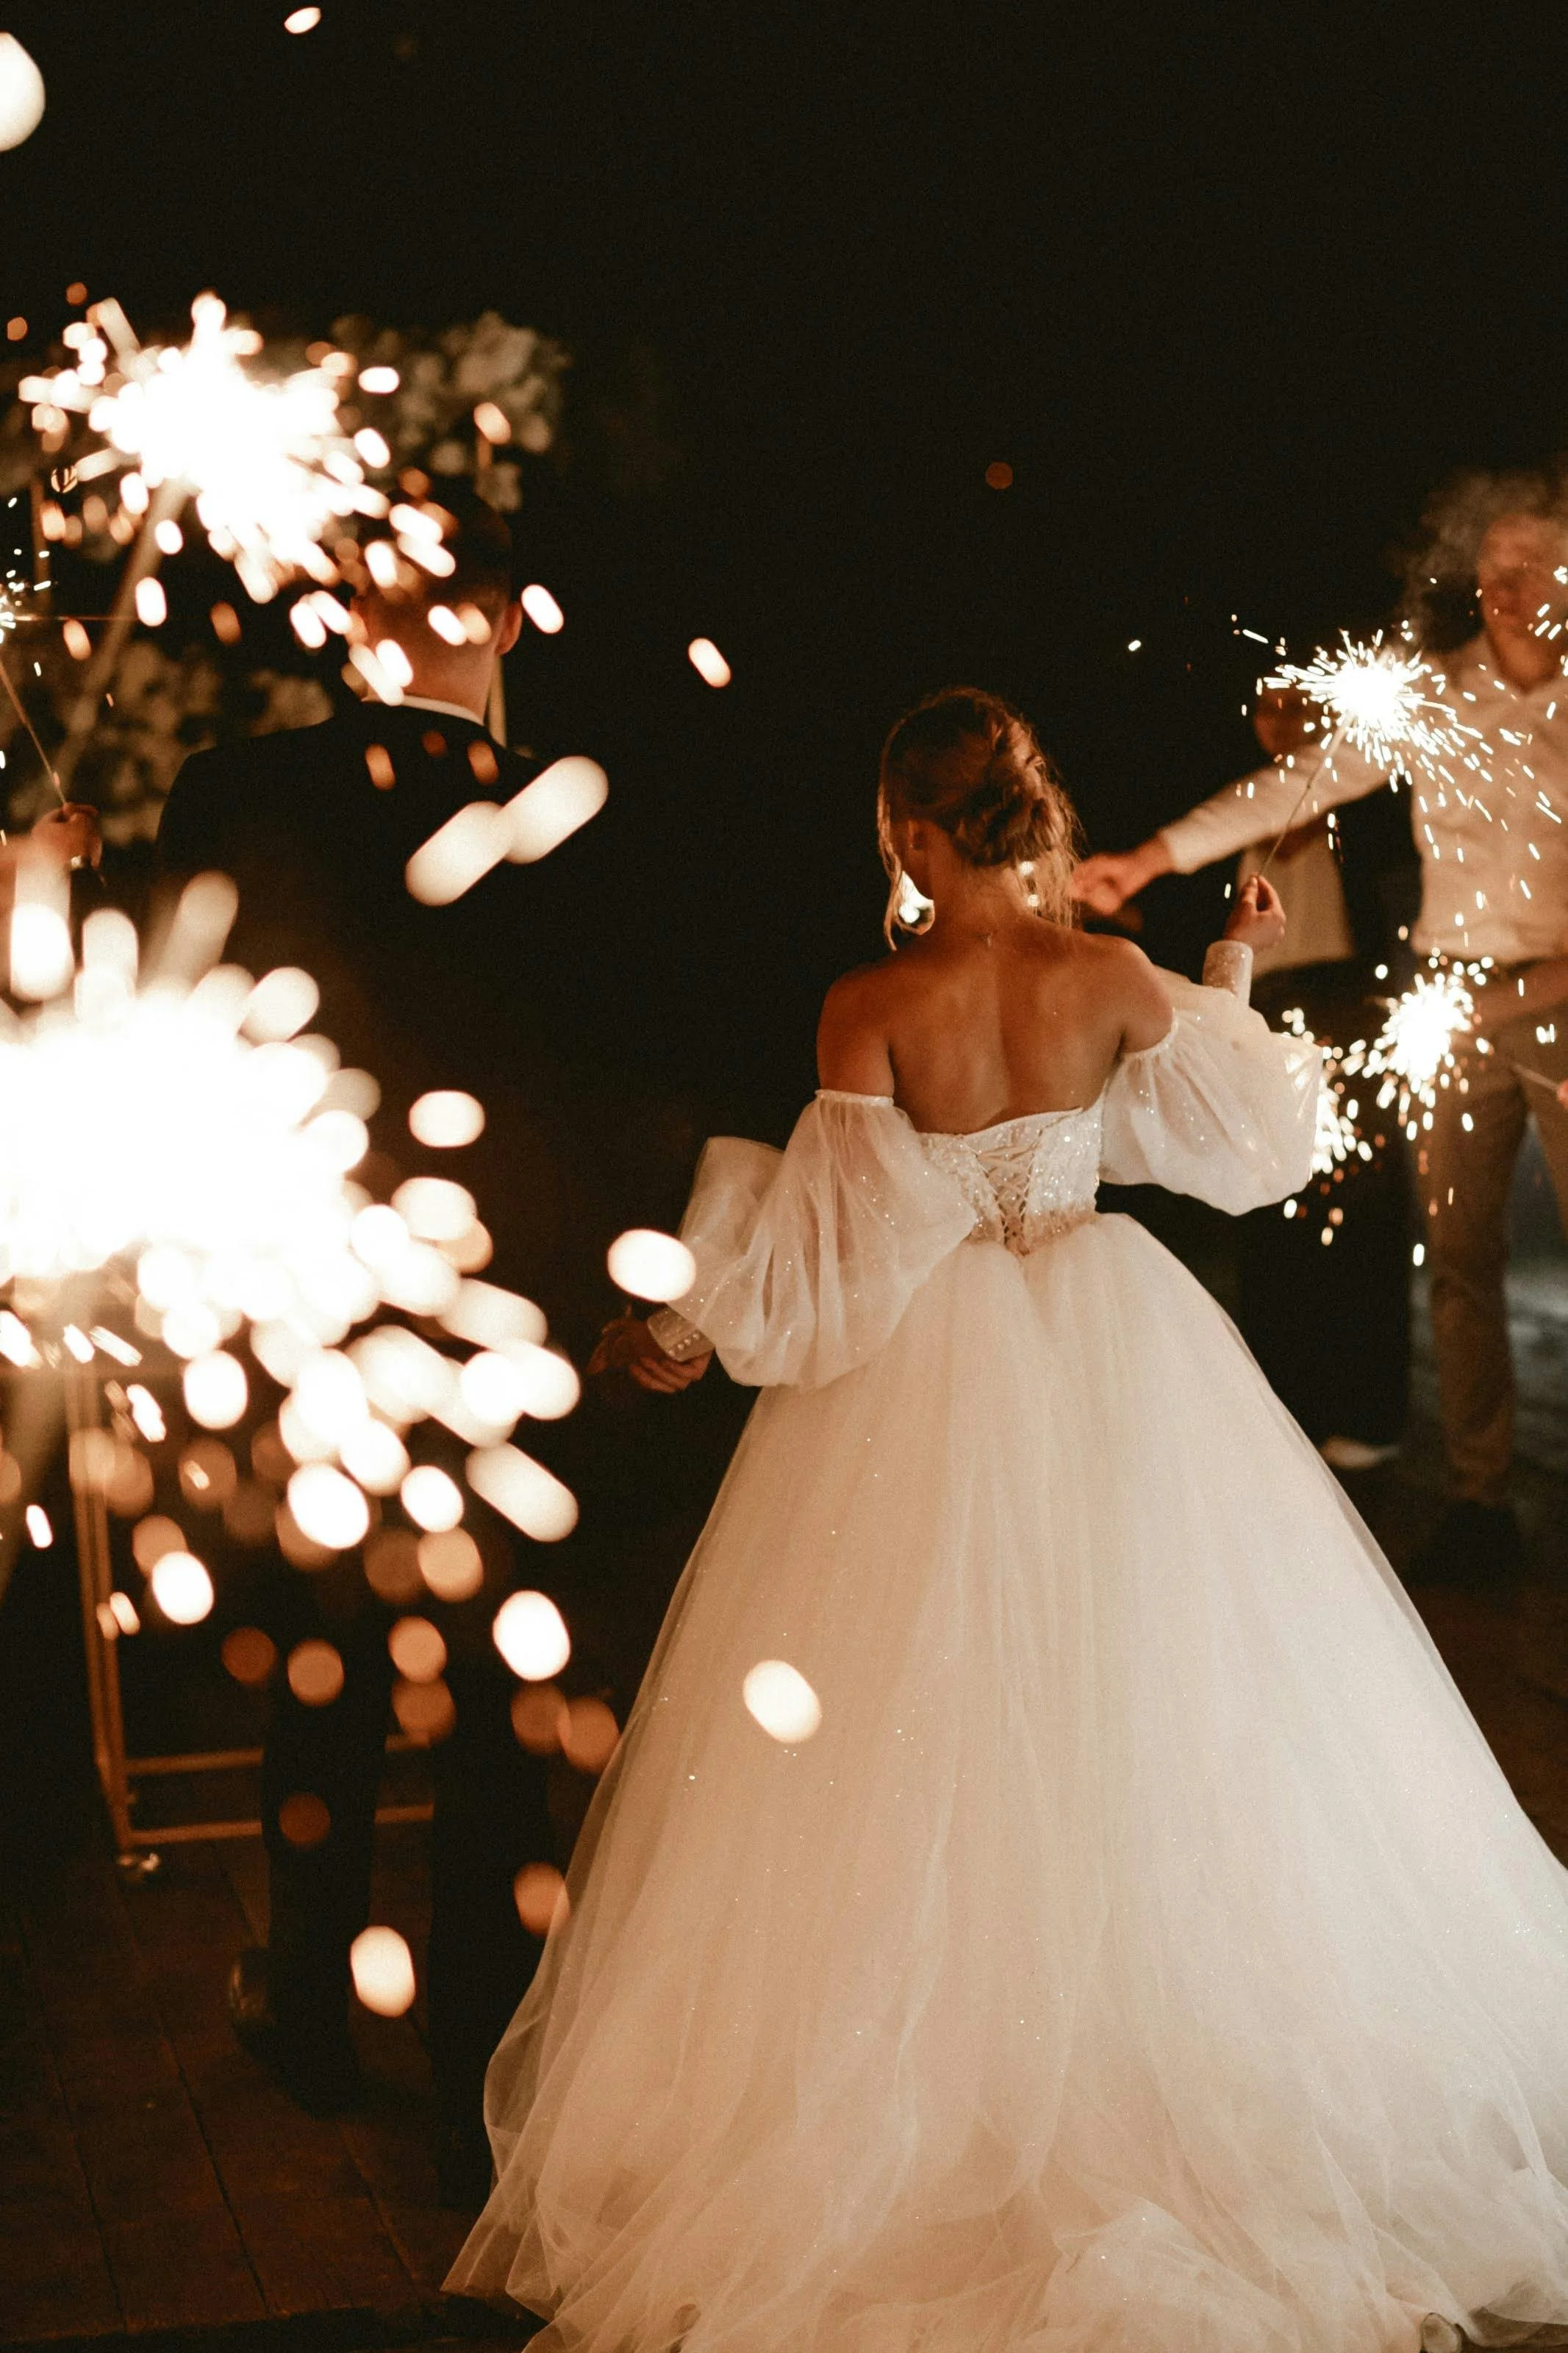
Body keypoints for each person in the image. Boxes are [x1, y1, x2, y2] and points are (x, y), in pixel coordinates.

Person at [446, 688, 1568, 2353]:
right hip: (1119, 1342)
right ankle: (1163, 2051)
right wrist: (1239, 961)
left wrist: (686, 1334)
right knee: (1161, 1711)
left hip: (929, 1371)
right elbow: (1251, 1142)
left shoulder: (869, 1002)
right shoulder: (1108, 980)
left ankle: (952, 2081)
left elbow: (839, 1248)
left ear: (905, 830)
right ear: (1024, 819)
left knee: (921, 1731)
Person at [159, 493, 573, 2199]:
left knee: (323, 1664)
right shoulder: (556, 813)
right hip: (516, 1306)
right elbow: (608, 1064)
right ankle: (480, 2039)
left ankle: (317, 2013)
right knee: (493, 1689)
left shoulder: (234, 788)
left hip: (301, 1290)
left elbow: (166, 1018)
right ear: (491, 624)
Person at [1074, 500, 1568, 1579]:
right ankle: (1483, 1498)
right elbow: (1290, 785)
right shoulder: (1437, 696)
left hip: (1564, 994)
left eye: (1531, 564)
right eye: (1492, 566)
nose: (1506, 586)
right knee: (1462, 1261)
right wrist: (1148, 860)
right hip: (1453, 987)